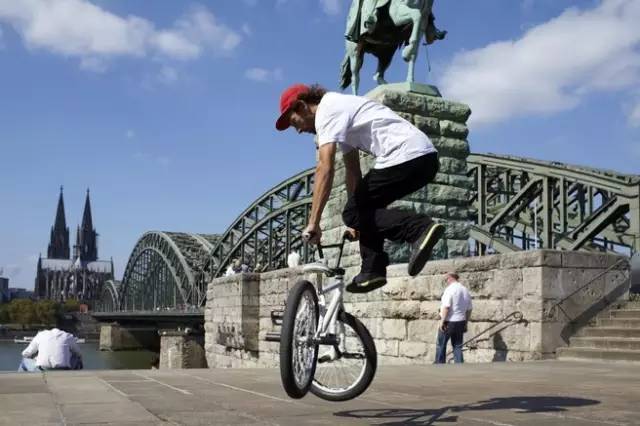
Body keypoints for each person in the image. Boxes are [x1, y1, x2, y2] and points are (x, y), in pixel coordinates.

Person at [275, 83, 445, 293]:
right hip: (425, 160)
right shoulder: (340, 110)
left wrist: (313, 223)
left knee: (353, 212)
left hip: (406, 155)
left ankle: (418, 228)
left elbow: (324, 168)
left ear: (302, 106)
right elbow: (353, 171)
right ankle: (371, 271)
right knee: (360, 210)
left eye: (295, 123)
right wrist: (358, 222)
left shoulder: (326, 111)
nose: (299, 130)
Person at [434, 273, 472, 364]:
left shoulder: (449, 289)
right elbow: (469, 309)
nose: (446, 281)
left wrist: (442, 321)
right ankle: (459, 367)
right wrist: (466, 323)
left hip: (448, 322)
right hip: (461, 321)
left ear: (450, 278)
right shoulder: (465, 290)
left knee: (441, 345)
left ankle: (439, 367)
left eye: (446, 279)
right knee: (457, 346)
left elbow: (446, 307)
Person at [19, 328, 83, 372]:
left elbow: (25, 353)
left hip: (43, 369)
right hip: (65, 369)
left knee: (24, 360)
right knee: (77, 359)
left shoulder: (40, 335)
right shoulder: (67, 336)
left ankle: (21, 380)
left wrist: (35, 356)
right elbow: (79, 353)